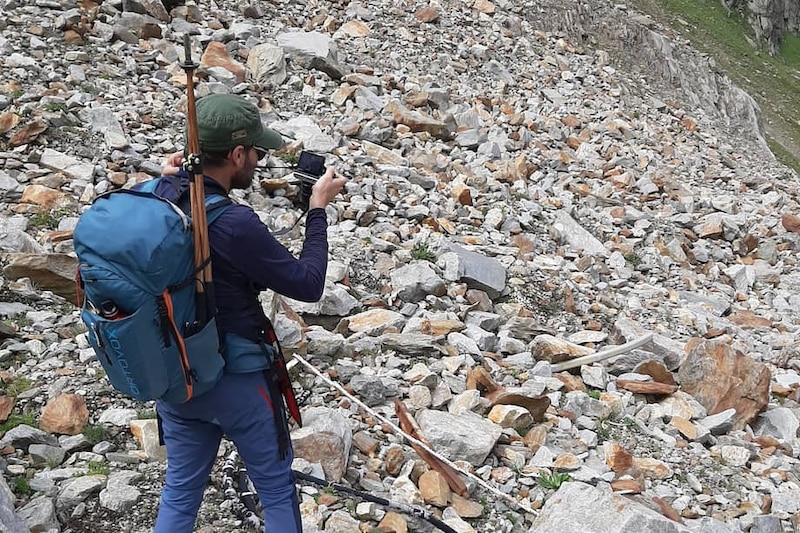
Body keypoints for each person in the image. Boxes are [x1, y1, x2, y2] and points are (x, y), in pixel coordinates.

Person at [150, 93, 346, 532]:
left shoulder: (158, 194)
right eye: (256, 151)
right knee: (275, 490)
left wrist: (169, 177)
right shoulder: (235, 224)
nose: (259, 159)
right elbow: (308, 284)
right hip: (236, 380)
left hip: (175, 376)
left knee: (180, 493)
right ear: (237, 155)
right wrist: (317, 211)